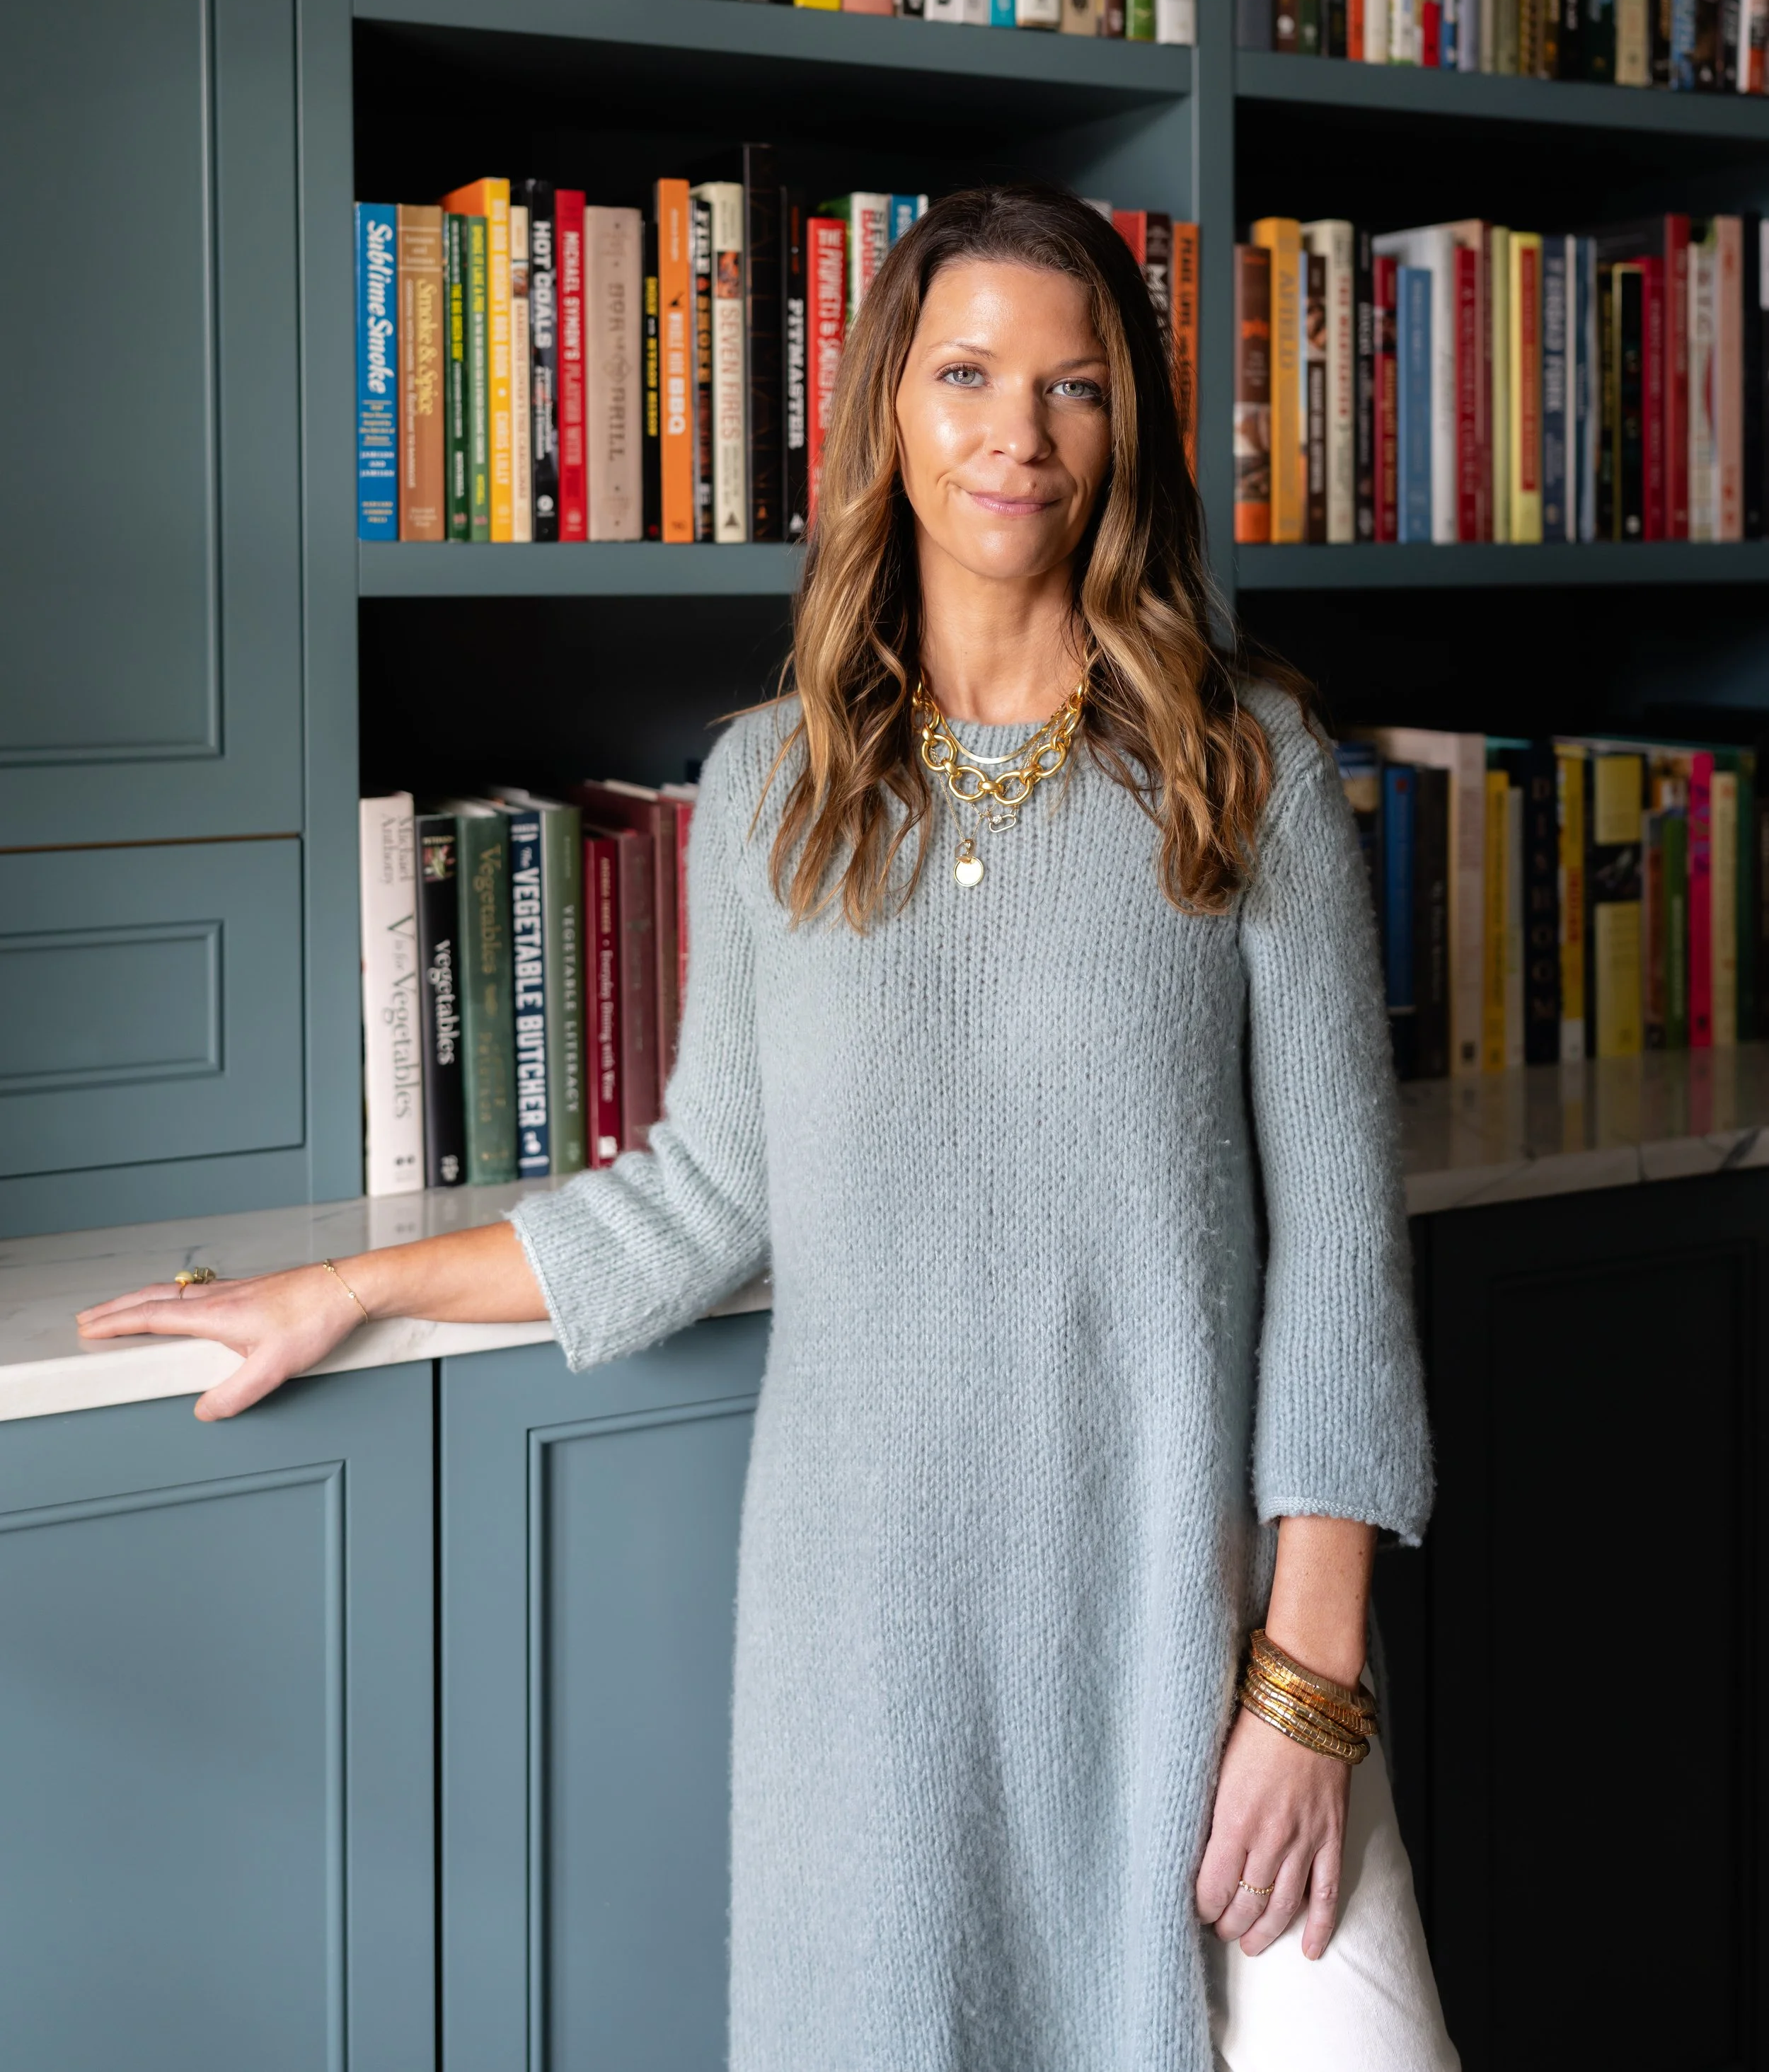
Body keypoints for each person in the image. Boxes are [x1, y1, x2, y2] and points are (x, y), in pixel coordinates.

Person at [81, 185, 1458, 2072]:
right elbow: (705, 1193)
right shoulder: (768, 789)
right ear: (889, 405)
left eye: (1071, 387)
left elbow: (1337, 1263)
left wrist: (1303, 1696)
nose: (1015, 432)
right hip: (865, 1640)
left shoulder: (1242, 767)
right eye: (966, 371)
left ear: (1122, 427)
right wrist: (337, 1286)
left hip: (1187, 1619)